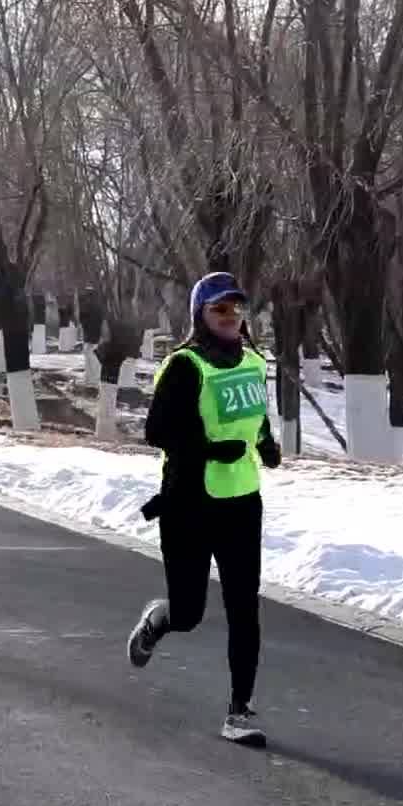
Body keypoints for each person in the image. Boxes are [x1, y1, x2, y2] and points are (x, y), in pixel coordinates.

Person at [128, 270, 279, 748]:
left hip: (241, 501)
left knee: (244, 610)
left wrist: (267, 442)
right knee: (190, 612)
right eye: (219, 309)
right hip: (189, 503)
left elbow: (253, 417)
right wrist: (210, 451)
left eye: (236, 309)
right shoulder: (185, 366)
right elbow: (157, 432)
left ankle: (239, 711)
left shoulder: (253, 361)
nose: (230, 317)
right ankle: (160, 619)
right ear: (200, 314)